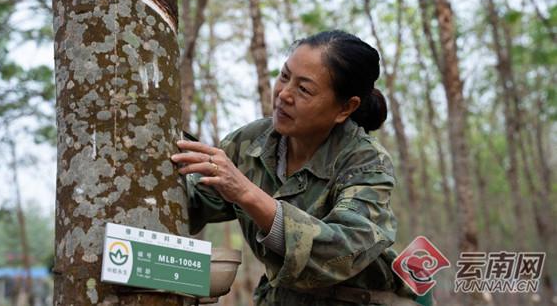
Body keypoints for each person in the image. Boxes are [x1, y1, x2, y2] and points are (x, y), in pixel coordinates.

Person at [171, 30, 419, 305]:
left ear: (345, 108)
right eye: (285, 76)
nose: (284, 95)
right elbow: (186, 207)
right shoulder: (249, 144)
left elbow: (343, 251)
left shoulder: (364, 161)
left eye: (304, 89)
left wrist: (247, 193)